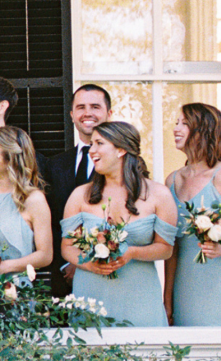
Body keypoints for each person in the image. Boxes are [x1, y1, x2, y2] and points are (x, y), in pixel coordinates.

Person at [60, 119, 176, 328]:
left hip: (140, 297)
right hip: (90, 295)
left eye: (99, 143)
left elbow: (166, 249)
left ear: (121, 150)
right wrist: (90, 265)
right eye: (91, 144)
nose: (91, 150)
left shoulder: (159, 194)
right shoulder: (80, 195)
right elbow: (67, 247)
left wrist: (132, 252)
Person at [163, 102, 221, 327]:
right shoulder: (172, 180)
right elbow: (173, 247)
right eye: (176, 123)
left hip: (220, 280)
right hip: (185, 282)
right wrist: (167, 297)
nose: (176, 128)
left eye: (184, 123)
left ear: (203, 131)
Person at [43, 86, 112, 291]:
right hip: (61, 275)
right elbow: (50, 221)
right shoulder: (54, 164)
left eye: (95, 107)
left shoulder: (124, 165)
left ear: (109, 113)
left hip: (109, 271)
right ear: (72, 115)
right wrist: (67, 262)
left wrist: (86, 261)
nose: (87, 113)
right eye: (81, 107)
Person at [0, 126, 55, 275]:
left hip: (17, 283)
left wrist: (5, 267)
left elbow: (45, 255)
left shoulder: (34, 200)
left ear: (10, 160)